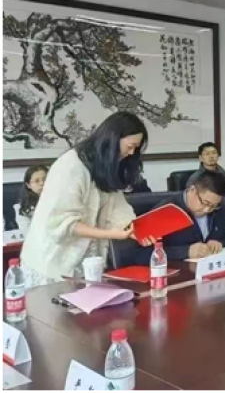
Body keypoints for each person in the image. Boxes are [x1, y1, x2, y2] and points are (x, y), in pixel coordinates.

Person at [20, 111, 155, 288]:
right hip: (50, 262)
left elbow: (118, 209)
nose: (131, 153)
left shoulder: (105, 167)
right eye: (130, 146)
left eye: (136, 148)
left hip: (85, 263)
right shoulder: (71, 166)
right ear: (112, 139)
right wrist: (111, 234)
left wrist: (135, 230)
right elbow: (64, 223)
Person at [132, 170, 225, 264]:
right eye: (205, 203)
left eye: (213, 206)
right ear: (192, 190)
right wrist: (186, 251)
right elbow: (141, 254)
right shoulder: (166, 211)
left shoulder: (217, 208)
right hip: (177, 272)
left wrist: (219, 243)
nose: (207, 210)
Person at [8, 165, 48, 233]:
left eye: (45, 179)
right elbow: (27, 232)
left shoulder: (60, 200)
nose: (42, 183)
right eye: (37, 181)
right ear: (28, 185)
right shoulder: (22, 208)